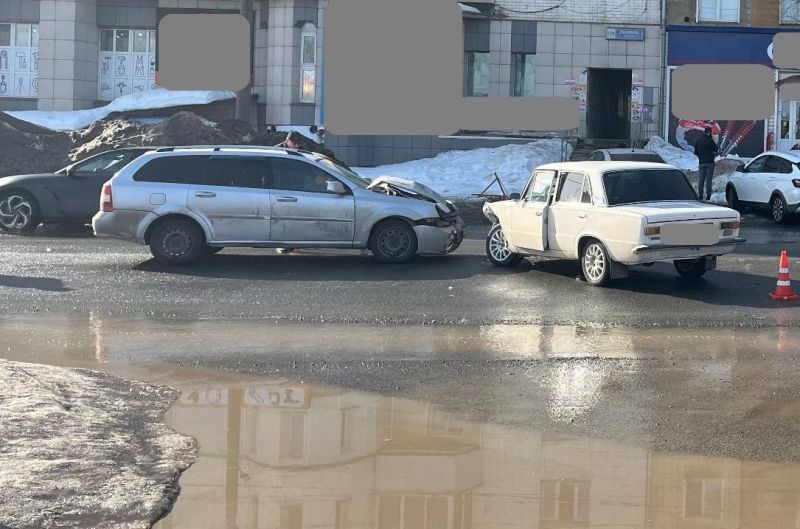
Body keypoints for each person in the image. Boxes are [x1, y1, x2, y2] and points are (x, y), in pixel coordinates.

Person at [693, 126, 718, 201]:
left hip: (701, 162)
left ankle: (700, 195)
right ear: (710, 132)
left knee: (701, 180)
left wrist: (701, 157)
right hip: (710, 162)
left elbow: (696, 152)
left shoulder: (698, 140)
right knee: (708, 180)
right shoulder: (710, 140)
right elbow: (716, 149)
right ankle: (708, 196)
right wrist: (712, 139)